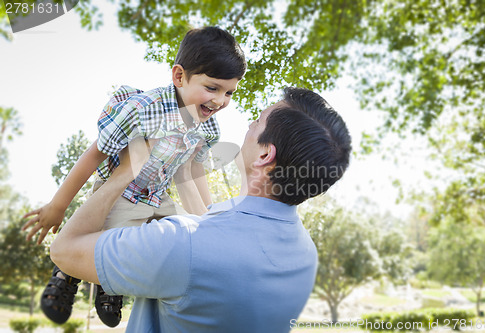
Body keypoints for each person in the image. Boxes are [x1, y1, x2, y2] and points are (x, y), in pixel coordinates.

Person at [49, 87, 352, 333]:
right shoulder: (305, 256)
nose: (248, 125)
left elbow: (65, 250)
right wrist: (183, 167)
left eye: (257, 121)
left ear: (264, 154)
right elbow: (214, 228)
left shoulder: (182, 243)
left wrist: (126, 172)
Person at [22, 26, 246, 327]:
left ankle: (111, 283)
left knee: (179, 237)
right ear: (179, 76)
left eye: (229, 92)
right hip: (120, 191)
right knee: (106, 238)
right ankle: (68, 276)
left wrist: (209, 220)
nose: (220, 101)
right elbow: (95, 153)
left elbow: (192, 173)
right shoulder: (143, 110)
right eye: (212, 88)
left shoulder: (207, 127)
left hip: (157, 194)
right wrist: (58, 206)